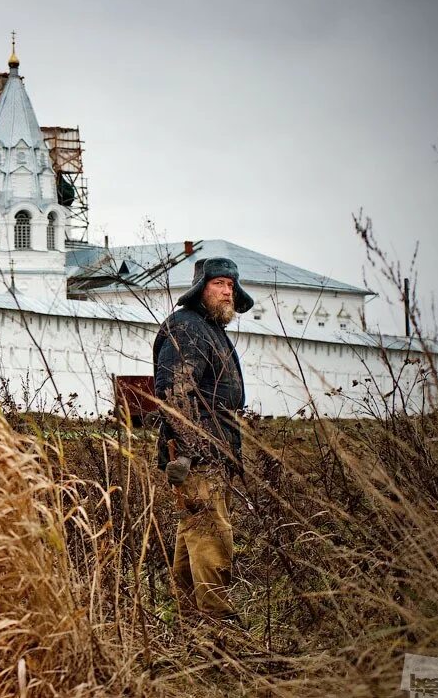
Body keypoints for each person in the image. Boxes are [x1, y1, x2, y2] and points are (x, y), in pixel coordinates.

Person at [153, 256, 252, 622]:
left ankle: (188, 617)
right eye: (218, 285)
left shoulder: (208, 328)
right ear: (200, 289)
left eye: (230, 285)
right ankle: (217, 622)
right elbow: (174, 392)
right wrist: (195, 453)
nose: (227, 292)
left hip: (212, 453)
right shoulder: (188, 327)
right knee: (212, 536)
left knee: (194, 533)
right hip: (200, 457)